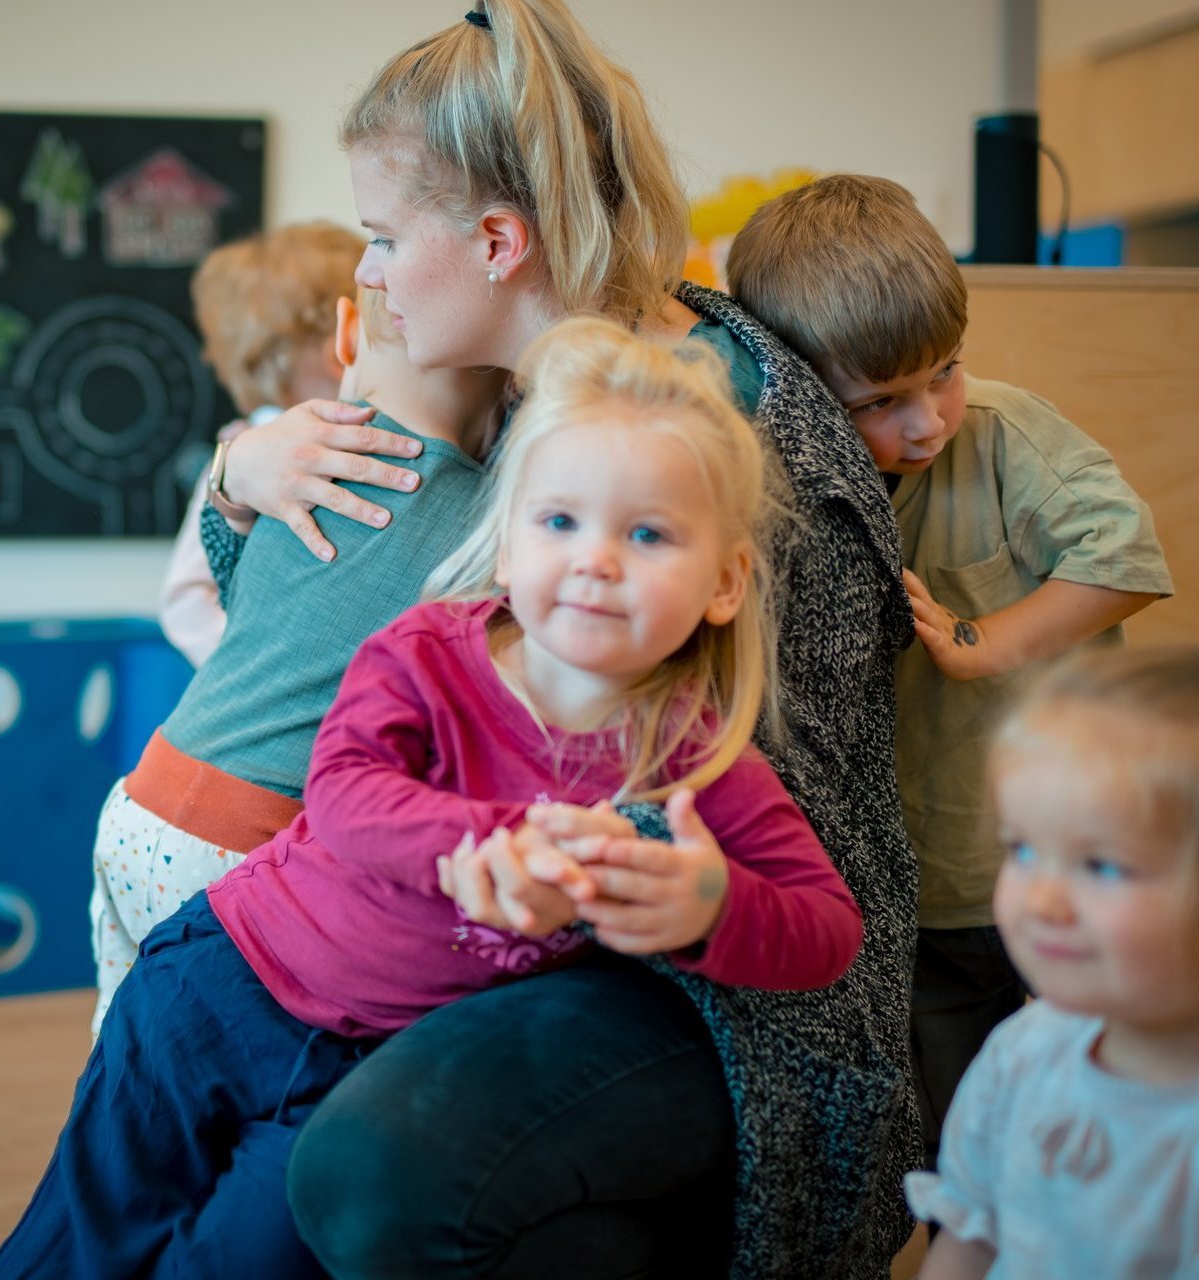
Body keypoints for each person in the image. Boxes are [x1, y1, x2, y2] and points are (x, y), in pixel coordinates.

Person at [204, 6, 922, 1277]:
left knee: (358, 1172)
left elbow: (784, 825)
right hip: (520, 903)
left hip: (729, 975)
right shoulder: (506, 386)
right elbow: (304, 628)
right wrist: (238, 478)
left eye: (382, 238)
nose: (365, 275)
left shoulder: (712, 428)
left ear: (497, 243)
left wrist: (617, 875)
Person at [0, 316, 865, 1279]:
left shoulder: (697, 760)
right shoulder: (431, 650)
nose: (596, 560)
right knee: (81, 1239)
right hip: (222, 985)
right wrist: (493, 840)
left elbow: (828, 930)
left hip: (363, 1070)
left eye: (647, 534)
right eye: (559, 522)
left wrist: (711, 909)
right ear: (508, 543)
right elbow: (345, 792)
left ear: (726, 583)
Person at [728, 172, 1175, 1174]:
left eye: (945, 373)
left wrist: (988, 640)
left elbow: (1124, 559)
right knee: (955, 1146)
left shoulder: (1004, 432)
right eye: (880, 402)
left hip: (1048, 860)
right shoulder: (786, 474)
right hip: (918, 895)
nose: (928, 421)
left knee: (1090, 1127)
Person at [90, 285, 505, 1034]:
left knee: (129, 1048)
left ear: (345, 335)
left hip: (141, 800)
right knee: (248, 1057)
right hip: (257, 843)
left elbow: (233, 585)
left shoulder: (291, 458)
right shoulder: (492, 521)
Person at [906, 645, 1199, 1279]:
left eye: (1102, 865)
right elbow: (970, 1239)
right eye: (1023, 850)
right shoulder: (1025, 1048)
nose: (1040, 901)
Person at [158, 221, 365, 665]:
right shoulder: (238, 456)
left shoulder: (377, 437)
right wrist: (260, 669)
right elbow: (187, 599)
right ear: (340, 345)